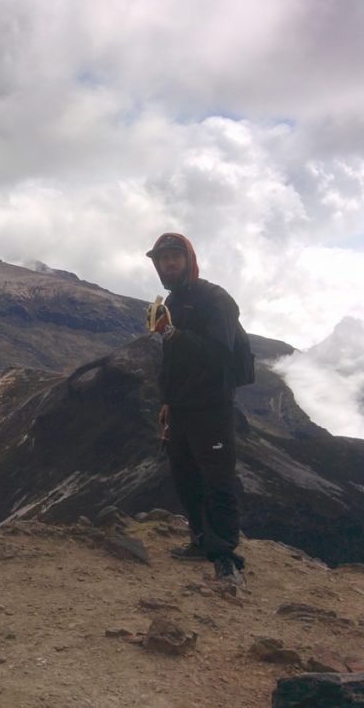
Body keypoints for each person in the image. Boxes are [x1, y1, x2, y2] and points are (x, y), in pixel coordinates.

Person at [146, 232, 245, 583]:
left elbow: (222, 352)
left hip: (211, 406)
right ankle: (201, 541)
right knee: (186, 476)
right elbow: (172, 363)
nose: (169, 264)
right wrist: (167, 403)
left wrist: (173, 334)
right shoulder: (174, 301)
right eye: (162, 259)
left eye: (175, 257)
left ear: (189, 259)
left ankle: (225, 555)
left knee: (218, 478)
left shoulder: (213, 299)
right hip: (182, 408)